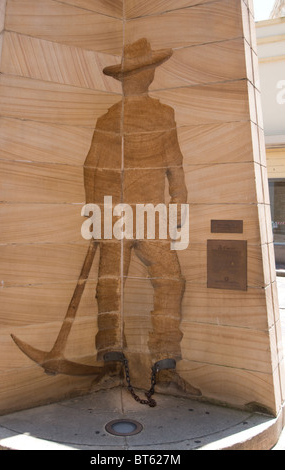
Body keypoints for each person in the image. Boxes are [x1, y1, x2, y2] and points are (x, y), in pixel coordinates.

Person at [84, 38, 199, 395]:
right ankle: (113, 364)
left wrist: (179, 201)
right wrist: (94, 214)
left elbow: (174, 162)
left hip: (150, 217)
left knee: (168, 282)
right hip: (120, 217)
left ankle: (164, 365)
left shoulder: (163, 115)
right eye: (136, 72)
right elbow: (92, 167)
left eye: (143, 71)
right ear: (127, 78)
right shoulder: (108, 118)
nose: (140, 77)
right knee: (110, 288)